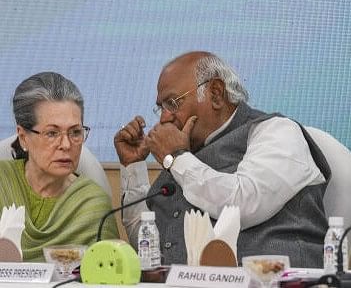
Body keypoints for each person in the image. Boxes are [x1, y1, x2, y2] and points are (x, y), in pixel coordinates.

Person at [114, 51, 331, 268]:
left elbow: (244, 204)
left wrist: (177, 158)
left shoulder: (276, 131)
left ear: (216, 93)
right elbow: (148, 250)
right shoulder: (181, 159)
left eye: (173, 103)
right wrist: (132, 168)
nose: (164, 117)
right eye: (161, 107)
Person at [0, 72, 119, 262]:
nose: (66, 144)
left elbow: (109, 272)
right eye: (52, 133)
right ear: (23, 137)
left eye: (75, 132)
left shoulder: (92, 203)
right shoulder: (2, 183)